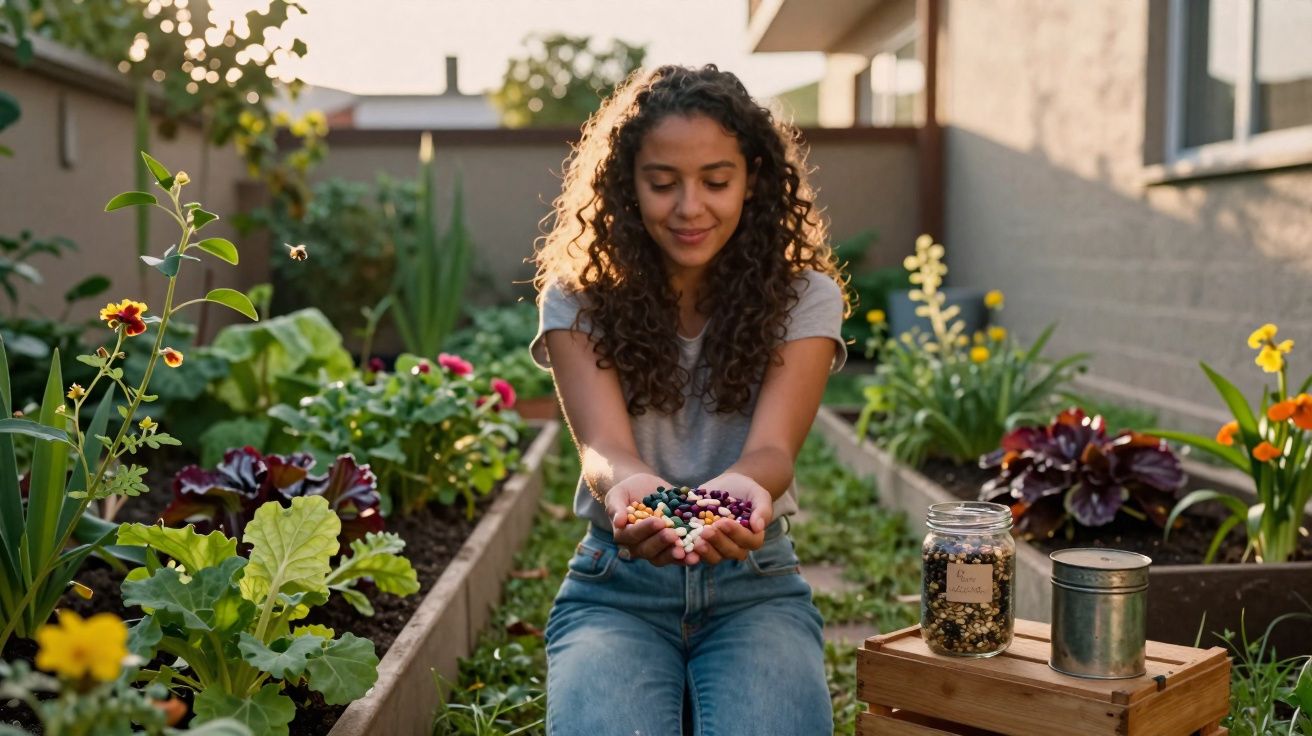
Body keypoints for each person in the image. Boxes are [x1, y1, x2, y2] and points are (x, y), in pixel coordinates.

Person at [530, 63, 849, 735]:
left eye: (716, 181)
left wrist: (731, 494)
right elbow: (604, 448)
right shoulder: (576, 297)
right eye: (662, 182)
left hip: (754, 585)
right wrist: (636, 491)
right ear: (627, 184)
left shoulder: (805, 298)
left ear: (753, 179)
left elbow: (770, 451)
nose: (690, 207)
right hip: (616, 587)